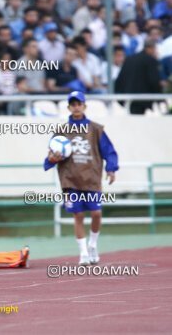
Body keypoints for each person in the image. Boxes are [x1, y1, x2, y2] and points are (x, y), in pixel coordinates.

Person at [44, 91, 119, 266]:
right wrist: (51, 160)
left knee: (96, 213)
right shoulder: (61, 131)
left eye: (79, 104)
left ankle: (93, 244)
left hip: (91, 178)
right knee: (78, 215)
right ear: (69, 107)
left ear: (84, 106)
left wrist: (111, 168)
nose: (76, 107)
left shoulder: (96, 129)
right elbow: (49, 156)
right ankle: (83, 252)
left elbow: (109, 151)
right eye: (73, 104)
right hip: (70, 180)